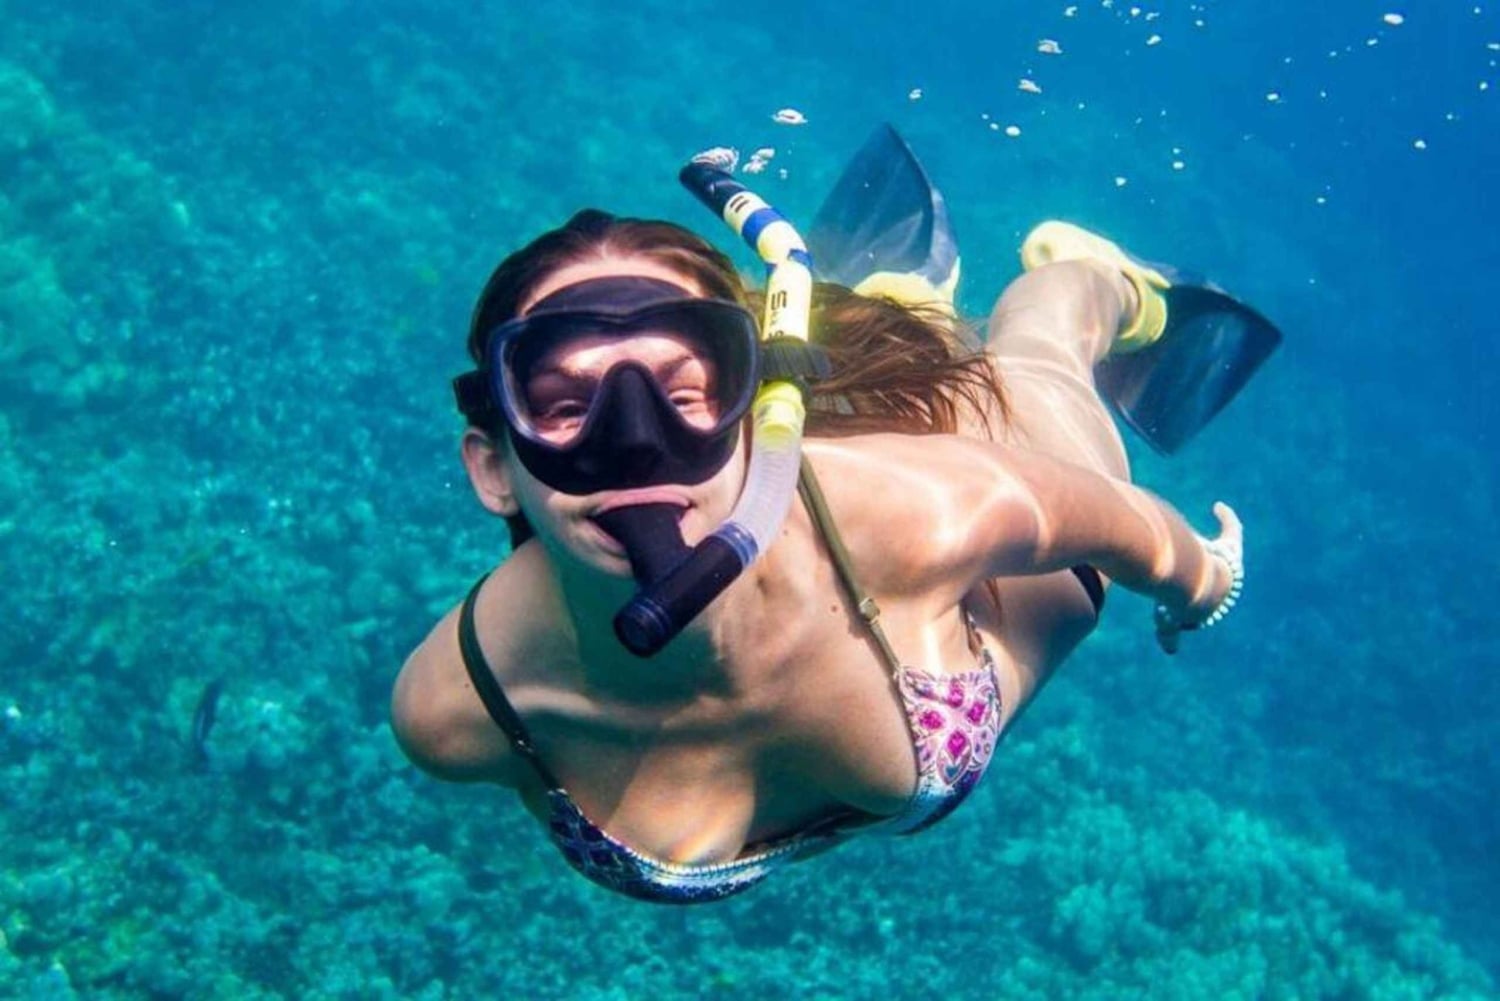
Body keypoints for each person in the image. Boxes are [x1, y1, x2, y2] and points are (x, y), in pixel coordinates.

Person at [391, 129, 1275, 903]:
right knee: (912, 337)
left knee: (1041, 349)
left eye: (687, 390)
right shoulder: (457, 711)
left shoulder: (927, 510)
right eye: (561, 403)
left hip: (1010, 521)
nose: (633, 447)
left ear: (757, 401)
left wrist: (1202, 579)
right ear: (492, 467)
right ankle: (895, 304)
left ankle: (1094, 277)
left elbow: (1135, 527)